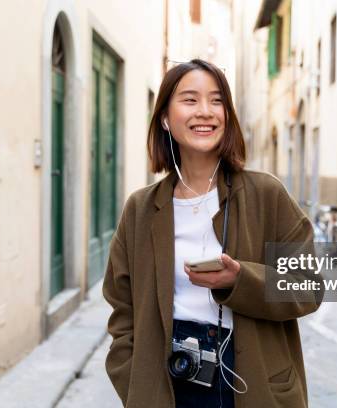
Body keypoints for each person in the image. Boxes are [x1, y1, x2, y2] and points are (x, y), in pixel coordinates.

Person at [103, 59, 324, 408]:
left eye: (217, 100)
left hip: (251, 383)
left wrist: (241, 280)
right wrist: (132, 379)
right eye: (190, 100)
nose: (205, 112)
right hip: (168, 381)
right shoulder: (140, 209)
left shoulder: (266, 194)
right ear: (164, 117)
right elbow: (122, 306)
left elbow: (308, 287)